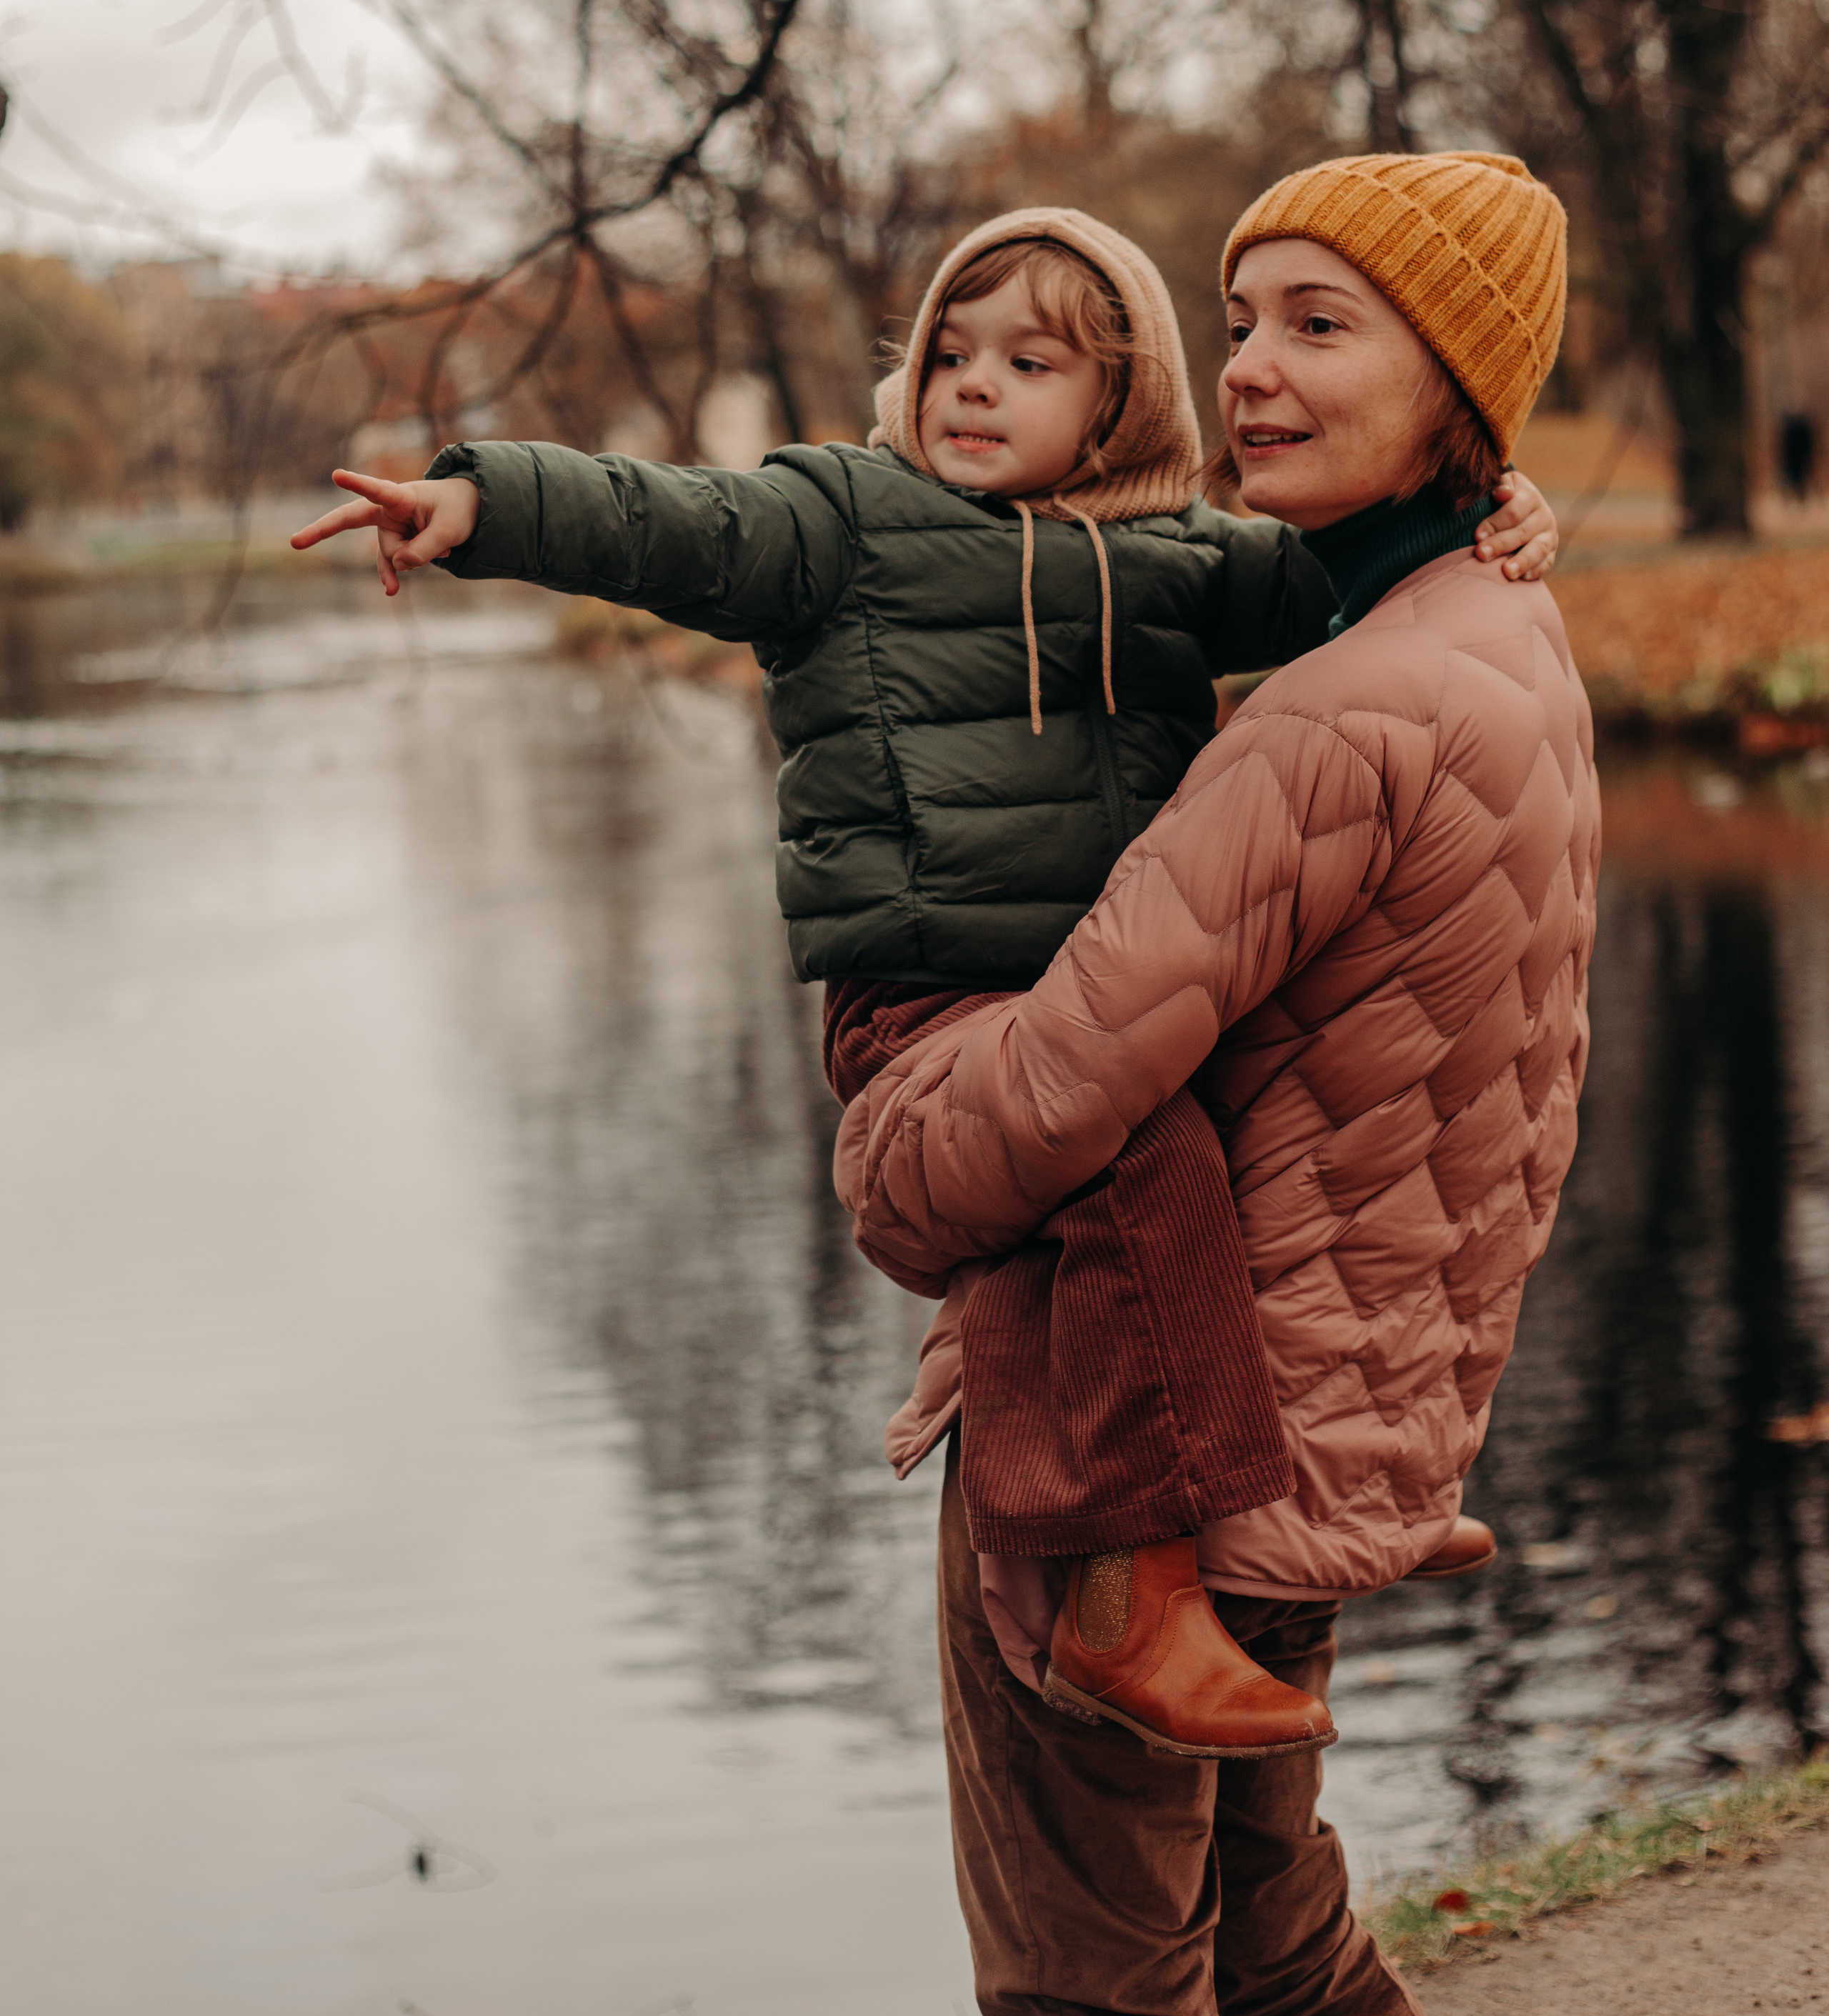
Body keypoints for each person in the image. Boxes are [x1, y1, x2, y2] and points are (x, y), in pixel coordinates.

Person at [289, 202, 1557, 1766]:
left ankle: (1292, 1502)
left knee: (1219, 1164)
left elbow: (1361, 577)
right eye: (947, 352)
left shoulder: (1169, 561)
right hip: (927, 995)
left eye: (1027, 361)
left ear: (1118, 407)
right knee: (1142, 1163)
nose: (969, 385)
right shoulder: (843, 524)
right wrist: (482, 505)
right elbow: (666, 522)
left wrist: (1503, 511)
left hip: (1077, 988)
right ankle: (1126, 1589)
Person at [835, 151, 1598, 2016]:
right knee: (1277, 1964)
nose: (1250, 367)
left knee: (1095, 2012)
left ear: (1461, 393)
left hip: (1126, 1465)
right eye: (1244, 319)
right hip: (1323, 1446)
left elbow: (1039, 1100)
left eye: (1322, 327)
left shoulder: (1337, 722)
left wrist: (889, 1141)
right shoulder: (1506, 656)